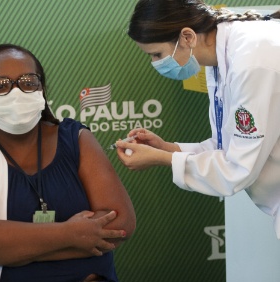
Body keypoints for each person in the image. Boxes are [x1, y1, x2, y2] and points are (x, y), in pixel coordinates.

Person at [0, 43, 136, 282]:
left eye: (28, 82)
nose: (16, 92)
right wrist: (72, 235)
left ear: (42, 89)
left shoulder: (75, 138)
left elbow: (119, 224)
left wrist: (14, 251)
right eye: (0, 84)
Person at [116, 0, 280, 236]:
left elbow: (239, 169)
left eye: (157, 54)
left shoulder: (250, 62)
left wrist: (164, 159)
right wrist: (169, 149)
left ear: (187, 37)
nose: (155, 63)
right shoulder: (223, 54)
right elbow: (227, 145)